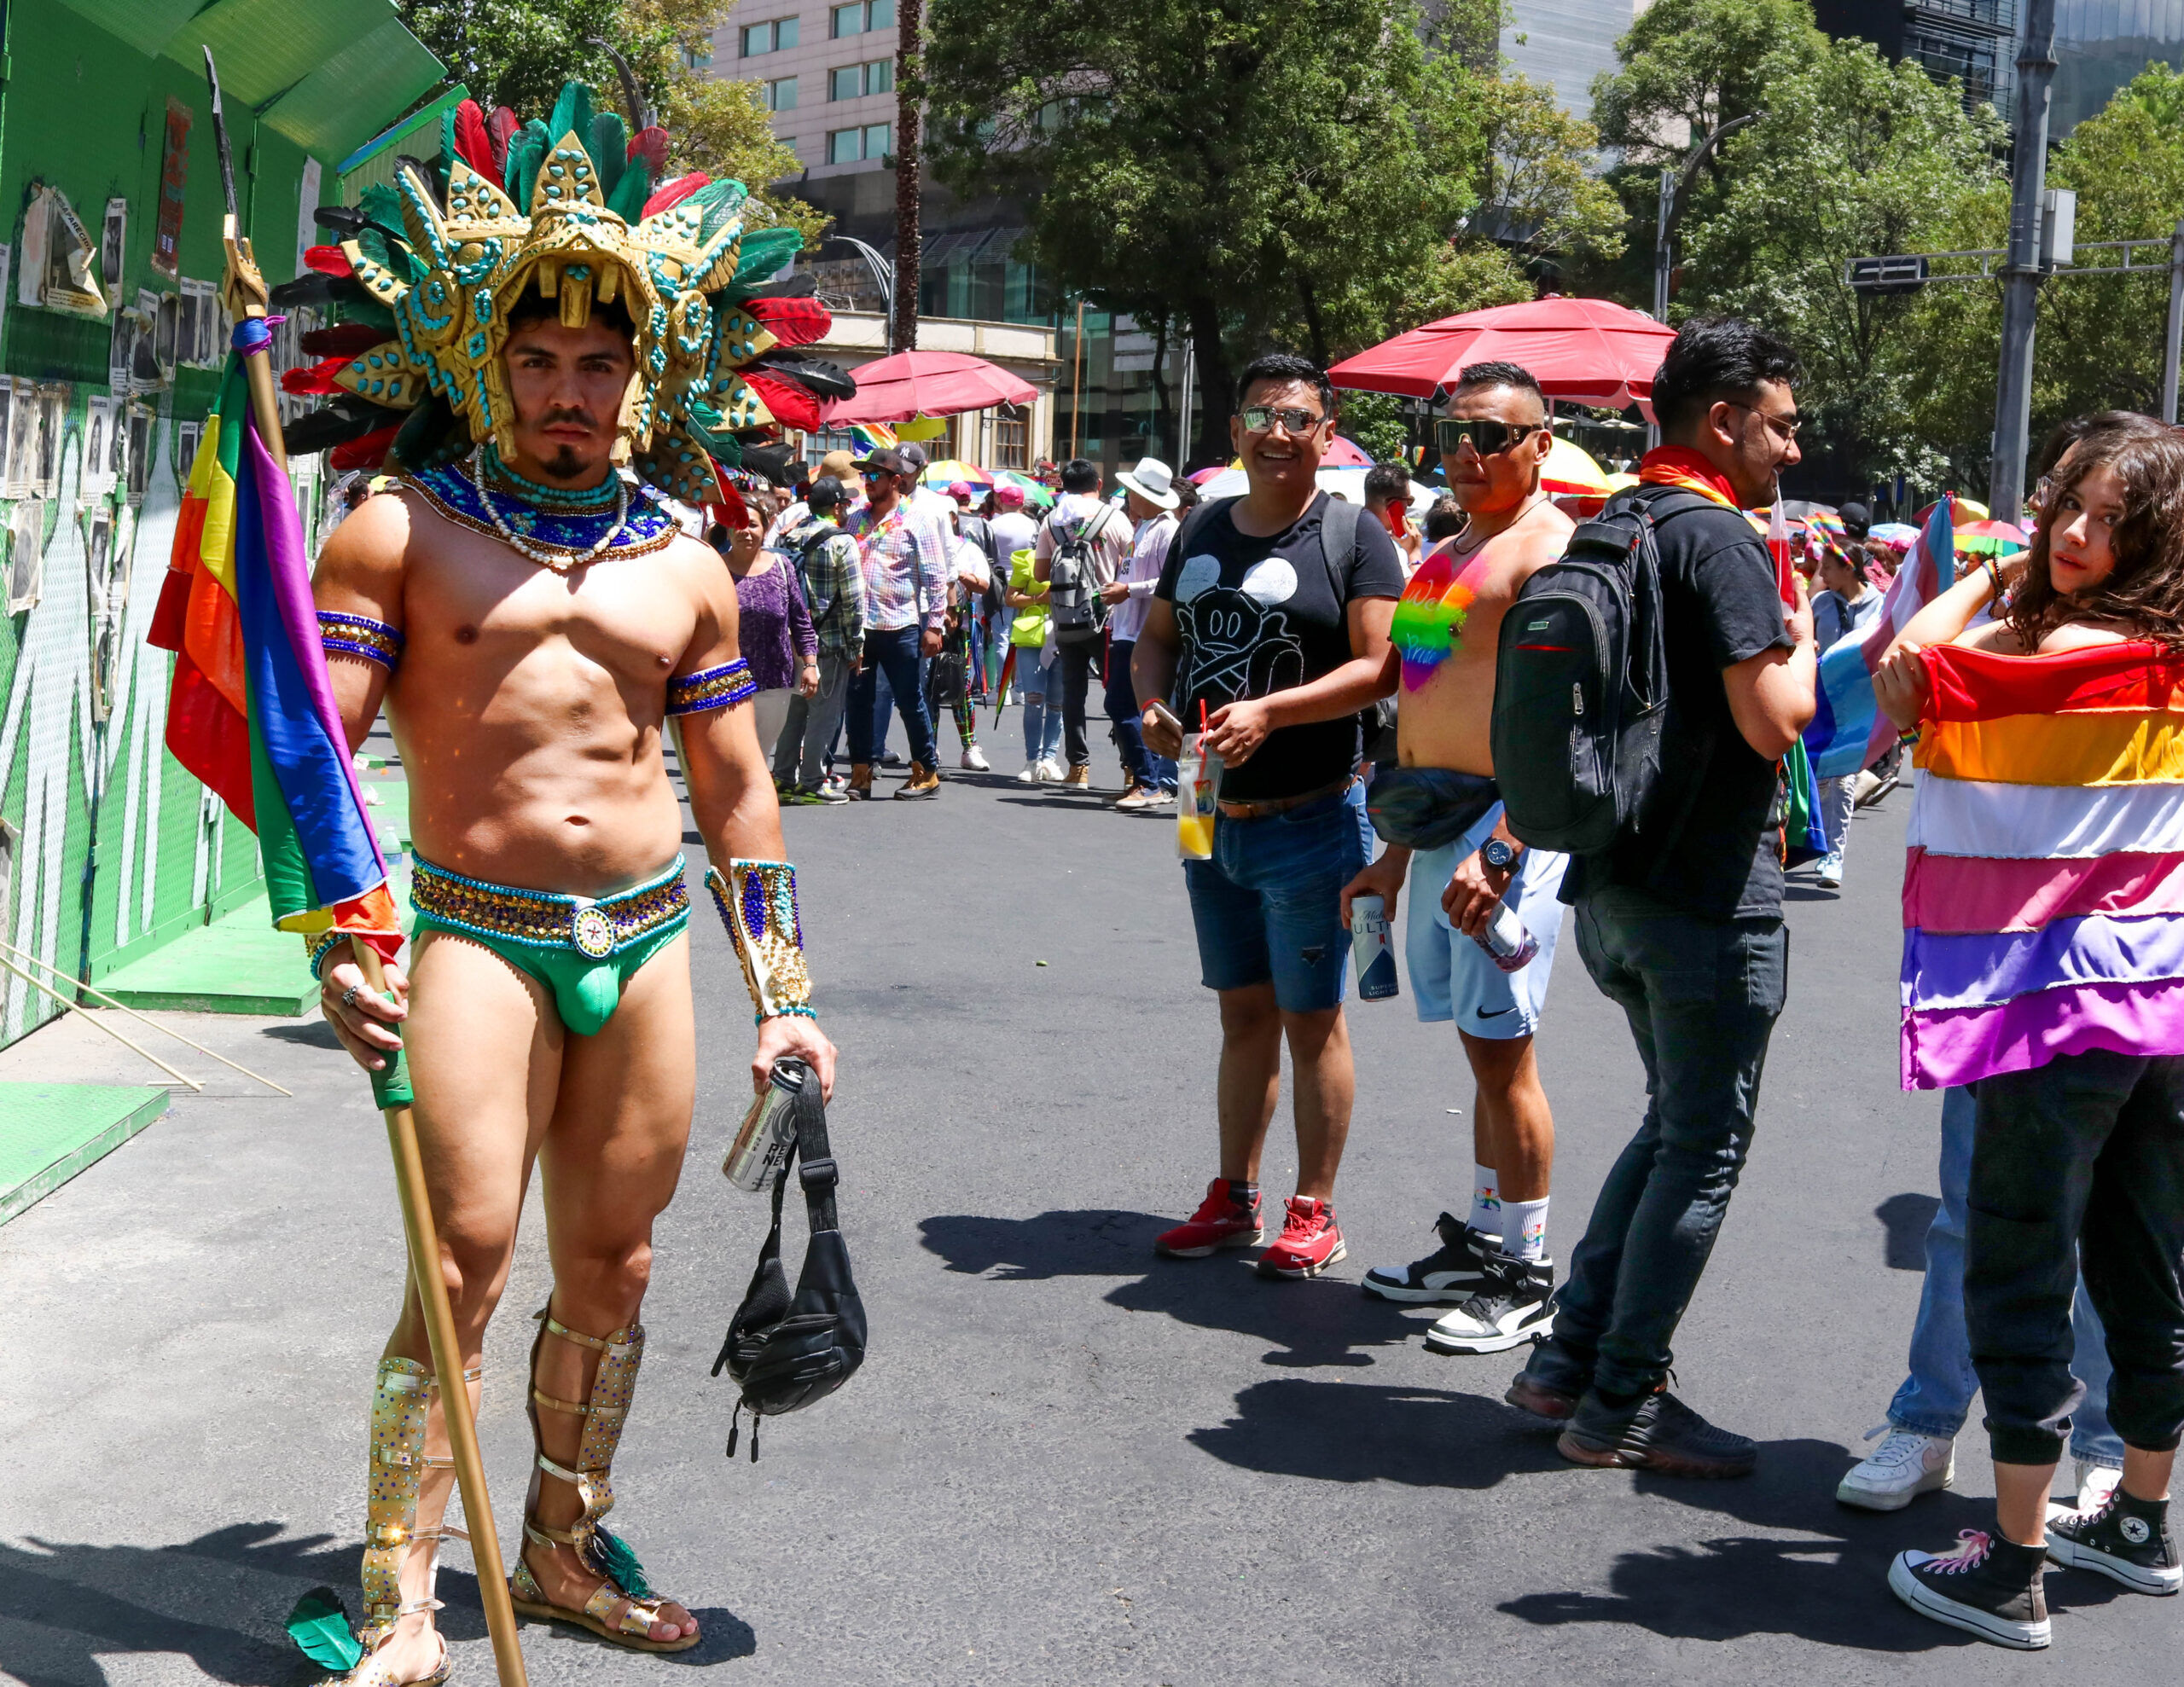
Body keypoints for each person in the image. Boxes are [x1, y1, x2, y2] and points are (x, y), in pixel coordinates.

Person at [293, 92, 837, 1684]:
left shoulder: (690, 558)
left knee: (618, 1262)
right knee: (462, 1256)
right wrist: (343, 936)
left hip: (647, 935)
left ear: (644, 375)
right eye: (536, 358)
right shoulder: (399, 531)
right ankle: (398, 1584)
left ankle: (562, 1542)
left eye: (599, 363)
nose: (568, 390)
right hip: (476, 933)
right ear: (483, 359)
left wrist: (788, 998)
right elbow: (318, 753)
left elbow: (735, 793)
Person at [1874, 424, 2184, 1649]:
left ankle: (2009, 1564)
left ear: (2152, 541)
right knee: (2149, 1262)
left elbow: (1905, 663)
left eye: (2108, 520)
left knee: (2018, 1263)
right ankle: (2143, 1521)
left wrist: (1999, 566)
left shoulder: (2036, 657)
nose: (2074, 536)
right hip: (2162, 995)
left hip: (2045, 1006)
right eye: (2068, 506)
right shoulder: (2167, 659)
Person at [1504, 316, 1815, 1475]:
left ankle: (1564, 1363)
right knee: (1706, 1140)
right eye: (1780, 426)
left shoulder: (1623, 516)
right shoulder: (1720, 540)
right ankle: (1623, 1395)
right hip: (1705, 897)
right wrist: (1814, 629)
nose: (1792, 448)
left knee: (1670, 1124)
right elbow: (1774, 720)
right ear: (1724, 420)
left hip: (1615, 886)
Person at [1134, 351, 1404, 1278]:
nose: (1277, 433)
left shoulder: (1354, 535)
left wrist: (1270, 712)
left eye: (1297, 419)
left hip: (1313, 815)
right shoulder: (1202, 527)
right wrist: (1151, 708)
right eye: (1261, 415)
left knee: (1311, 1017)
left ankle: (1313, 1208)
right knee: (1240, 1013)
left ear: (1324, 436)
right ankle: (1232, 1194)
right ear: (1235, 431)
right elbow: (1157, 639)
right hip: (1207, 813)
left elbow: (1382, 667)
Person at [1340, 360, 1575, 1354]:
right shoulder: (1452, 547)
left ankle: (1525, 1272)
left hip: (1503, 837)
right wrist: (1392, 859)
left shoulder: (1549, 553)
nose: (1469, 454)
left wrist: (1509, 847)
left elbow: (1562, 723)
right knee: (1482, 1057)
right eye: (1453, 437)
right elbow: (1424, 705)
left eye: (1494, 435)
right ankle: (1486, 1243)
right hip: (1439, 830)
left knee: (1505, 1056)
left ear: (1541, 443)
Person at [844, 447, 947, 800]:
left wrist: (934, 625)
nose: (868, 483)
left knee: (909, 700)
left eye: (875, 476)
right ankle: (861, 772)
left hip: (900, 625)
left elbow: (935, 577)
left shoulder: (919, 520)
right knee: (858, 700)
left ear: (896, 481)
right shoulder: (855, 520)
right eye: (865, 476)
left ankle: (926, 770)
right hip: (861, 628)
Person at [1034, 459, 1132, 789]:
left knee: (1072, 694)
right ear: (1099, 484)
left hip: (1066, 619)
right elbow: (1128, 566)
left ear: (1063, 485)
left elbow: (1039, 574)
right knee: (1118, 692)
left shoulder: (1052, 520)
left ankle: (1079, 769)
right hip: (1108, 619)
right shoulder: (1115, 518)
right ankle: (1131, 767)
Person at [771, 475, 867, 803]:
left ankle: (782, 778)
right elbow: (854, 599)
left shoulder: (790, 537)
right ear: (837, 507)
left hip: (793, 641)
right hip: (828, 643)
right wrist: (857, 646)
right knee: (824, 714)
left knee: (793, 714)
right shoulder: (842, 542)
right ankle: (812, 780)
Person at [716, 496, 818, 764]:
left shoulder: (782, 568)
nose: (745, 532)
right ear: (728, 528)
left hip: (775, 682)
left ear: (765, 528)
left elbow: (800, 621)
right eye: (738, 524)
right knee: (732, 759)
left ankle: (752, 805)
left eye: (752, 524)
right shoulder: (714, 569)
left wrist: (810, 664)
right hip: (727, 682)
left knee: (759, 758)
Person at [1805, 541, 1885, 888]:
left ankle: (1834, 855)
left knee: (1843, 777)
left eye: (1828, 568)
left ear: (1848, 568)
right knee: (1818, 776)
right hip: (1818, 700)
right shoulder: (1820, 603)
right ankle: (1813, 841)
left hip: (1856, 706)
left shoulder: (1880, 605)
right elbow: (1802, 640)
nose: (1821, 574)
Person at [1108, 457, 1185, 811]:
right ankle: (1145, 779)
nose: (1127, 497)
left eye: (1132, 491)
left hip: (1145, 632)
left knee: (1127, 706)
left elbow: (1169, 582)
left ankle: (1149, 781)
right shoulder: (1142, 527)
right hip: (1126, 628)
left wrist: (1129, 590)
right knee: (1124, 705)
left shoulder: (1166, 530)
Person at [987, 483, 1041, 690]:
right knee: (1021, 636)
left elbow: (988, 556)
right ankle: (1020, 687)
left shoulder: (994, 525)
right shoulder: (1033, 524)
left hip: (999, 583)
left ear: (1001, 501)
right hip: (1026, 583)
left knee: (1001, 635)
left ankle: (1004, 690)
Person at [1365, 461, 1421, 563]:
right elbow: (1413, 580)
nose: (1408, 506)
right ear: (1393, 504)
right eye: (1408, 501)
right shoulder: (1386, 547)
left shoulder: (1349, 529)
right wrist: (1414, 552)